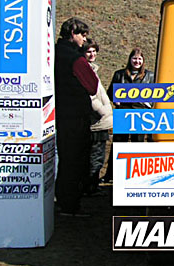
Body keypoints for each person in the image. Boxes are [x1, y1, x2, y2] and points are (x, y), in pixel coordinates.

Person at [54, 18, 98, 216]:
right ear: (73, 33)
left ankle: (62, 199)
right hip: (76, 118)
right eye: (83, 35)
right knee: (75, 162)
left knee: (64, 161)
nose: (84, 39)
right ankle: (71, 204)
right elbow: (92, 86)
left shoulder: (52, 53)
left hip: (56, 114)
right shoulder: (76, 59)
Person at [104, 47, 154, 183]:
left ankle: (136, 175)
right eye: (134, 58)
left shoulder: (150, 76)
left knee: (138, 144)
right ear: (130, 59)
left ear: (143, 61)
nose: (137, 61)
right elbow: (110, 92)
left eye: (139, 59)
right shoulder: (119, 74)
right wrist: (115, 100)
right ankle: (112, 175)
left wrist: (148, 104)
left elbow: (155, 94)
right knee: (119, 144)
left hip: (140, 114)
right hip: (123, 112)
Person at [81, 39, 112, 196]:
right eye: (89, 51)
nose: (92, 54)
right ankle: (90, 188)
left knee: (97, 156)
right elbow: (91, 95)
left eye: (94, 51)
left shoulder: (92, 69)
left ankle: (92, 185)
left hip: (100, 121)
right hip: (96, 122)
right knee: (95, 156)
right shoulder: (85, 70)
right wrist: (102, 111)